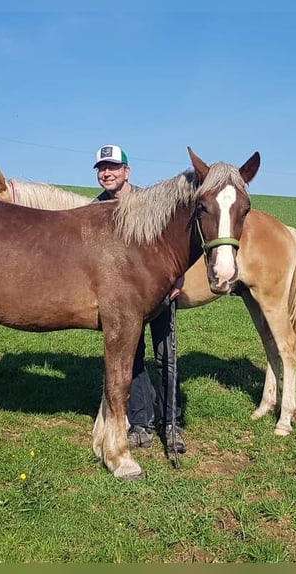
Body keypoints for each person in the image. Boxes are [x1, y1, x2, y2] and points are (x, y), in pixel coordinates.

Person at [92, 144, 186, 454]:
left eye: (113, 167)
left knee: (166, 357)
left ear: (126, 172)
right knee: (133, 357)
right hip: (123, 299)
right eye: (102, 168)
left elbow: (177, 243)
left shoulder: (150, 203)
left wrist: (178, 277)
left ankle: (172, 424)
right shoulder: (95, 209)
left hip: (160, 291)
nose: (107, 172)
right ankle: (142, 422)